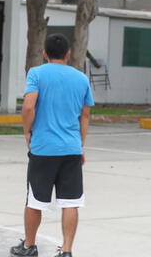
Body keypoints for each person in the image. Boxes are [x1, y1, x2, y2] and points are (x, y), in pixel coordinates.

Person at [10, 34, 94, 257]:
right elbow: (85, 116)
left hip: (43, 149)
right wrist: (80, 145)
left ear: (45, 54)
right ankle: (66, 250)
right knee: (70, 202)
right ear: (68, 54)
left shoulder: (37, 73)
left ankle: (29, 246)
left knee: (35, 201)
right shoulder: (81, 79)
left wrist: (27, 131)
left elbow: (29, 107)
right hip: (71, 149)